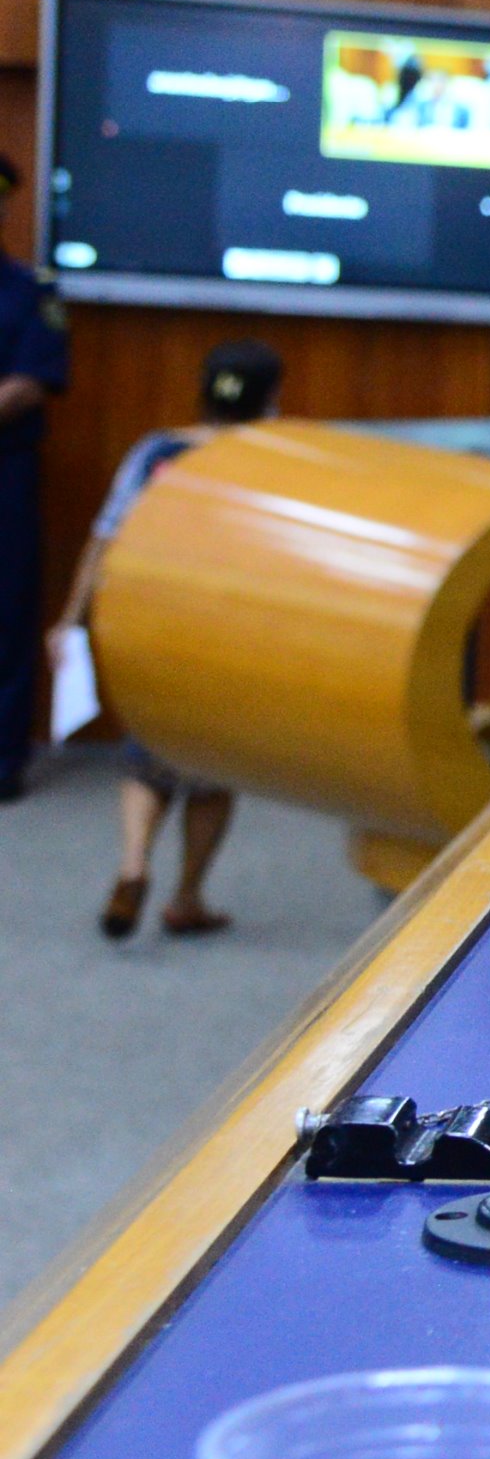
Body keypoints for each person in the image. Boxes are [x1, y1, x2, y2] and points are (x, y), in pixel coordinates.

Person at [57, 339, 282, 935]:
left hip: (150, 622)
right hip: (227, 632)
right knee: (213, 774)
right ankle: (186, 898)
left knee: (147, 753)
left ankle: (133, 864)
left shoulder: (157, 451)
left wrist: (70, 618)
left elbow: (105, 537)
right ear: (270, 398)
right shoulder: (273, 461)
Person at [0, 155, 71, 803]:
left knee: (7, 611)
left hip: (5, 472)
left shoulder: (30, 290)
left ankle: (3, 760)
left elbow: (29, 384)